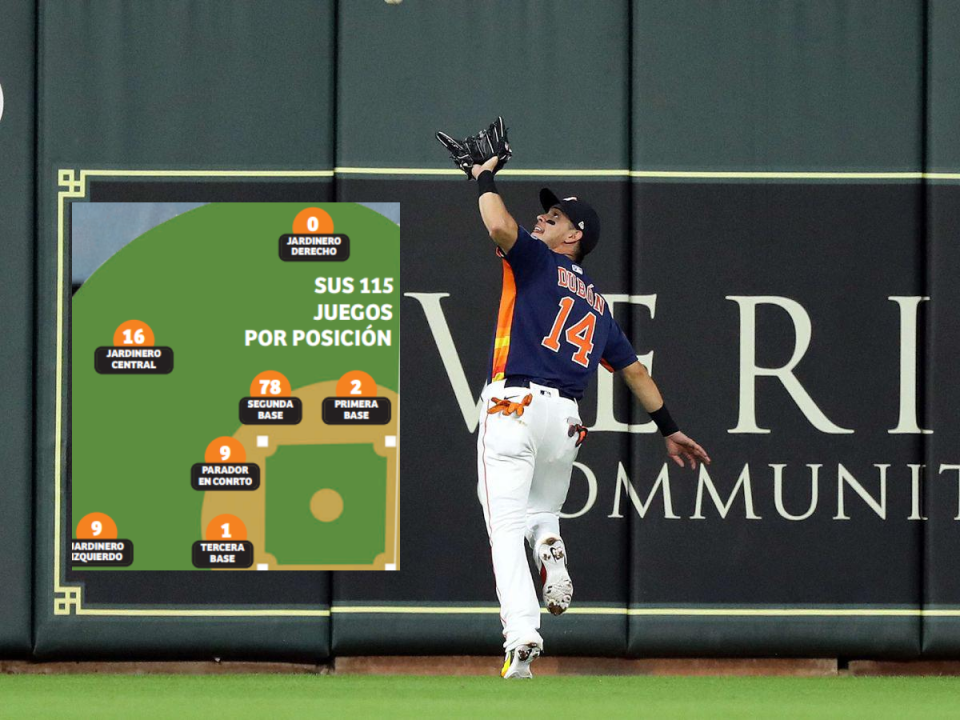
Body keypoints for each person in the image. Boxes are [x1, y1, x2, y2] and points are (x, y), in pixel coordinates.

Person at [469, 156, 711, 679]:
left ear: (574, 236)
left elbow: (496, 223)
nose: (540, 221)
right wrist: (670, 428)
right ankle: (551, 547)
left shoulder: (536, 260)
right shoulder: (598, 304)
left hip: (516, 405)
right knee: (538, 513)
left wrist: (483, 178)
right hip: (565, 423)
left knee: (504, 526)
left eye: (553, 218)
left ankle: (522, 634)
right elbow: (636, 374)